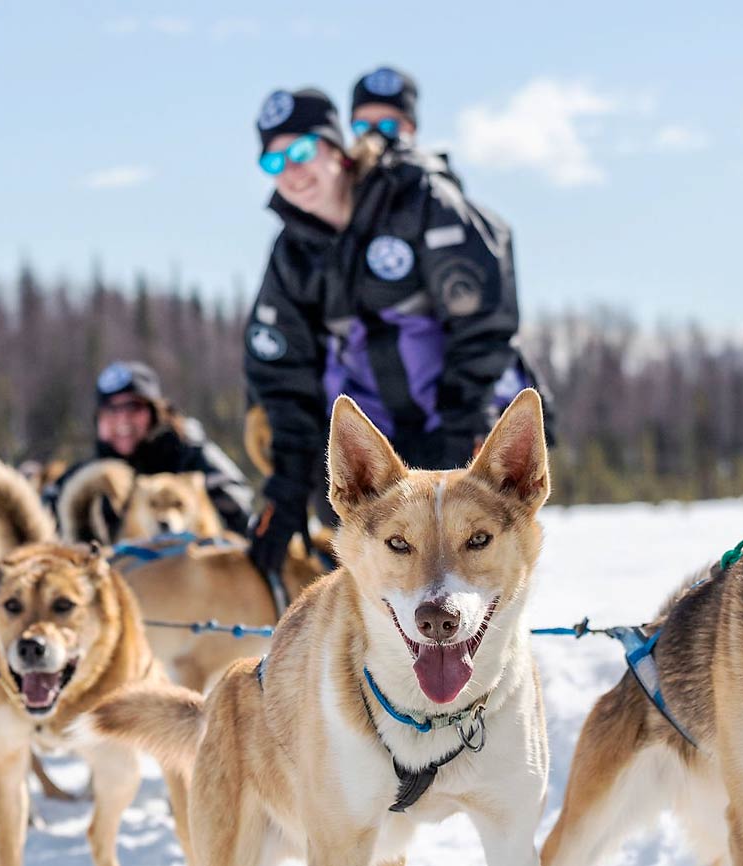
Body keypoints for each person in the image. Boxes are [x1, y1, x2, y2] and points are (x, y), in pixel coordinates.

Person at [243, 87, 549, 576]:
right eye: (274, 161)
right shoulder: (292, 254)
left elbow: (484, 322)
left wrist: (458, 430)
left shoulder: (416, 199)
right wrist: (286, 491)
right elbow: (282, 375)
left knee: (468, 574)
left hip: (462, 423)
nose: (291, 171)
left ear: (337, 150)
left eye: (301, 151)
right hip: (378, 444)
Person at [42, 361, 253, 538]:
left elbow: (240, 508)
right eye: (111, 410)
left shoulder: (190, 455)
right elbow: (43, 518)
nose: (122, 419)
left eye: (133, 408)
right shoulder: (90, 477)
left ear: (155, 412)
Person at [349, 65, 418, 151]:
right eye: (362, 126)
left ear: (410, 128)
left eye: (387, 126)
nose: (373, 135)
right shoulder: (340, 163)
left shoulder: (430, 163)